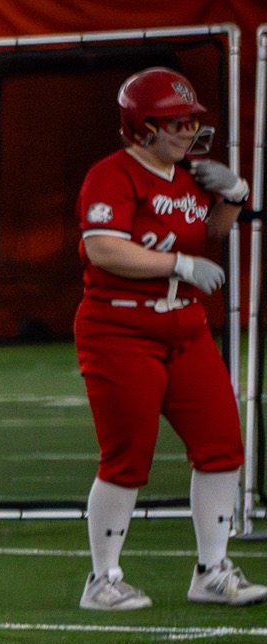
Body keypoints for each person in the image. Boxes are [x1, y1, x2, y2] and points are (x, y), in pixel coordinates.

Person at [75, 67, 263, 609]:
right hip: (120, 326)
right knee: (127, 455)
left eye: (192, 120)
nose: (189, 130)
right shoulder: (112, 175)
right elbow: (104, 248)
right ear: (142, 127)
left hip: (184, 323)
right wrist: (177, 262)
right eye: (177, 121)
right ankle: (102, 579)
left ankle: (212, 569)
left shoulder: (189, 175)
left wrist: (234, 195)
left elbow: (211, 234)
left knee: (223, 444)